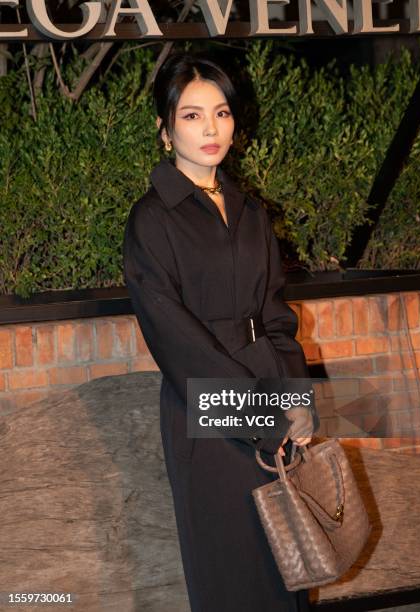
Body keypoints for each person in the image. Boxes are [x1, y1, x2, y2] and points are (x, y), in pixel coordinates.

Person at [123, 52, 320, 612]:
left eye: (221, 113)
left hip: (271, 393)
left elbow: (276, 313)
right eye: (191, 116)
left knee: (291, 566)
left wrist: (298, 400)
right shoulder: (152, 219)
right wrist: (260, 418)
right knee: (234, 574)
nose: (211, 129)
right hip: (206, 412)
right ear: (165, 130)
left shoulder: (252, 212)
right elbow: (173, 337)